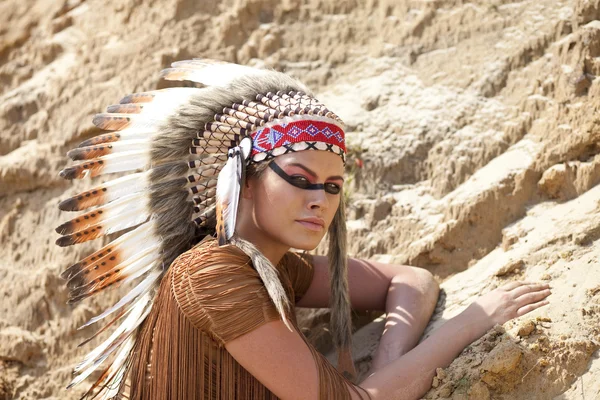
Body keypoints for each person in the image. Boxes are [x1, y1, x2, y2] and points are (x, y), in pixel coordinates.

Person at [55, 60, 551, 400]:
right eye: (299, 179)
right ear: (243, 182)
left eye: (334, 187)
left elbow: (412, 281)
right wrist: (477, 319)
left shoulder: (275, 268)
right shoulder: (210, 276)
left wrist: (388, 357)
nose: (321, 200)